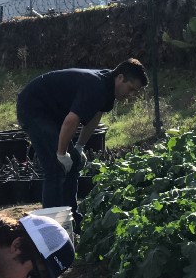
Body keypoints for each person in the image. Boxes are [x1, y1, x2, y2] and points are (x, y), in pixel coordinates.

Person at [16, 58, 148, 231]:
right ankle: (51, 227)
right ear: (120, 78)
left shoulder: (108, 89)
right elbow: (71, 121)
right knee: (55, 168)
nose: (131, 95)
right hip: (34, 108)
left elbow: (94, 117)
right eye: (131, 89)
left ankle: (71, 217)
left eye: (135, 92)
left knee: (75, 161)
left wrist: (79, 147)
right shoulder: (97, 86)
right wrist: (61, 154)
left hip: (53, 114)